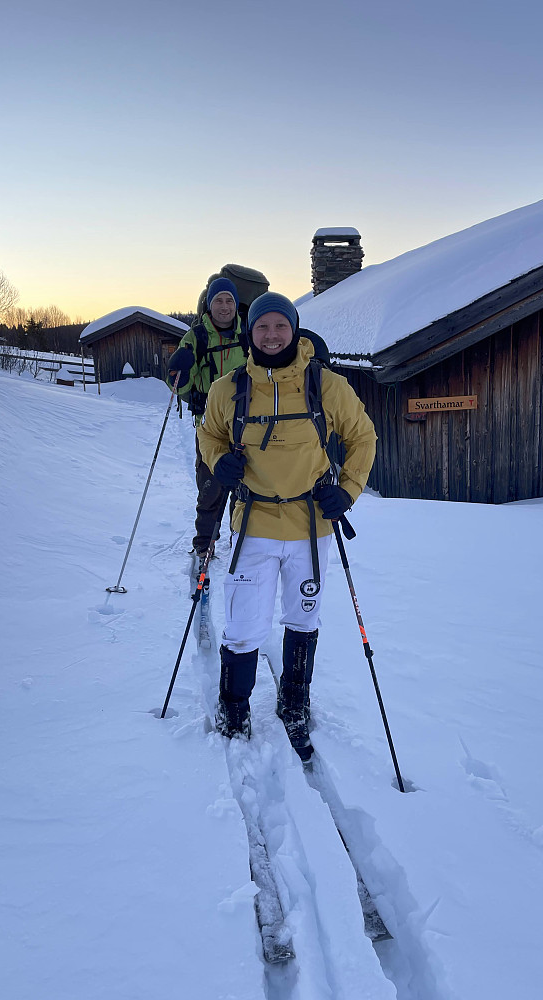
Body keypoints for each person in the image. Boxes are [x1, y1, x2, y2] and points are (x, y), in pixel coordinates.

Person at [197, 292, 376, 760]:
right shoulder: (228, 388)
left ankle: (294, 701)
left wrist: (349, 489)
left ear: (294, 329)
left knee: (304, 617)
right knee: (243, 624)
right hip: (254, 523)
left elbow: (362, 436)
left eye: (281, 326)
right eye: (262, 327)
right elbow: (209, 433)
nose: (272, 335)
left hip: (311, 527)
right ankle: (234, 705)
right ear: (250, 333)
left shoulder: (326, 385)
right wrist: (219, 462)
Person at [167, 277, 248, 559]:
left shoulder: (247, 334)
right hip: (209, 425)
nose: (224, 307)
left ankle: (241, 536)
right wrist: (180, 374)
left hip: (246, 424)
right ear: (209, 304)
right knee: (211, 487)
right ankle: (205, 542)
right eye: (218, 301)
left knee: (245, 484)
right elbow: (180, 387)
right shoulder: (197, 337)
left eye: (229, 301)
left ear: (236, 304)